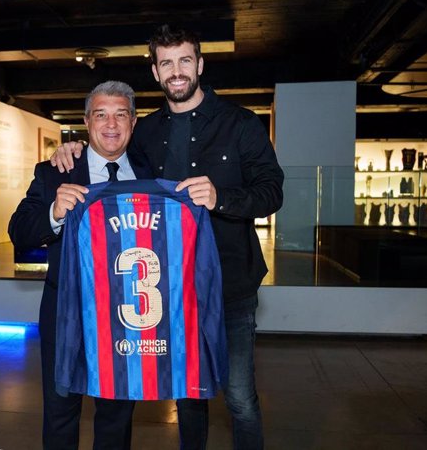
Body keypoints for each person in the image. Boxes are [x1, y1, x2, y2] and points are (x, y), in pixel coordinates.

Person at [51, 25, 284, 450]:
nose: (176, 71)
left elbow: (273, 193)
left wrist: (221, 197)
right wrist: (71, 150)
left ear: (199, 64)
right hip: (172, 291)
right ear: (156, 73)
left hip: (231, 286)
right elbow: (111, 158)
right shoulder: (147, 133)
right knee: (188, 395)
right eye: (166, 63)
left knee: (239, 398)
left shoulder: (242, 124)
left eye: (184, 60)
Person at [9, 80, 152, 450]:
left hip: (127, 317)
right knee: (60, 412)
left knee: (117, 416)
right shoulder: (55, 171)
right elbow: (19, 231)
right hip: (65, 315)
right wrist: (55, 212)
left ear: (133, 123)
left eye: (121, 115)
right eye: (101, 114)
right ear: (87, 122)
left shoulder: (152, 174)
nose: (111, 124)